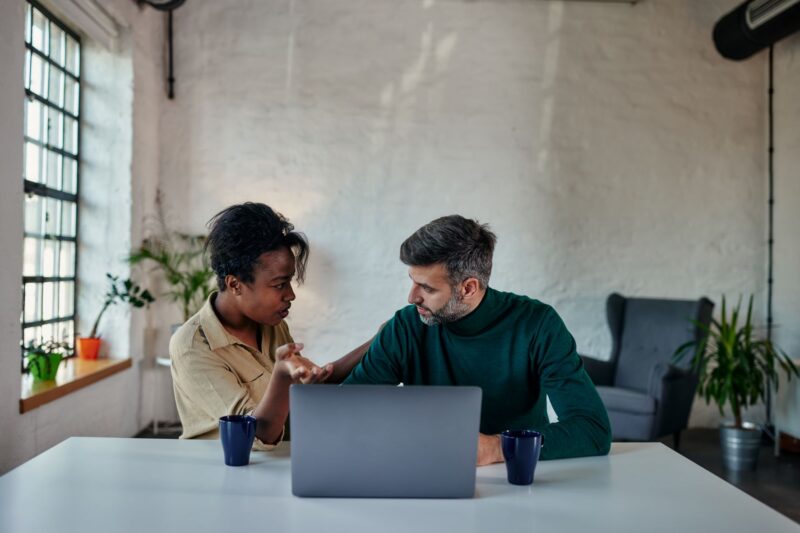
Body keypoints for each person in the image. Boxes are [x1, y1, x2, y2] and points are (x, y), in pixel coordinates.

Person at [344, 215, 611, 464]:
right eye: (413, 281)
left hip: (517, 483)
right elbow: (347, 409)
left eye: (427, 288)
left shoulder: (537, 324)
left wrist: (497, 448)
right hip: (425, 472)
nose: (412, 297)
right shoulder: (405, 326)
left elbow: (593, 429)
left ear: (468, 288)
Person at [170, 203, 369, 448]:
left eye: (289, 281)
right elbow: (254, 436)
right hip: (226, 472)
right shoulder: (193, 345)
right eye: (279, 284)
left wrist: (381, 339)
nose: (290, 295)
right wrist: (283, 377)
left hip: (279, 465)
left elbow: (306, 390)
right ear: (235, 285)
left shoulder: (271, 323)